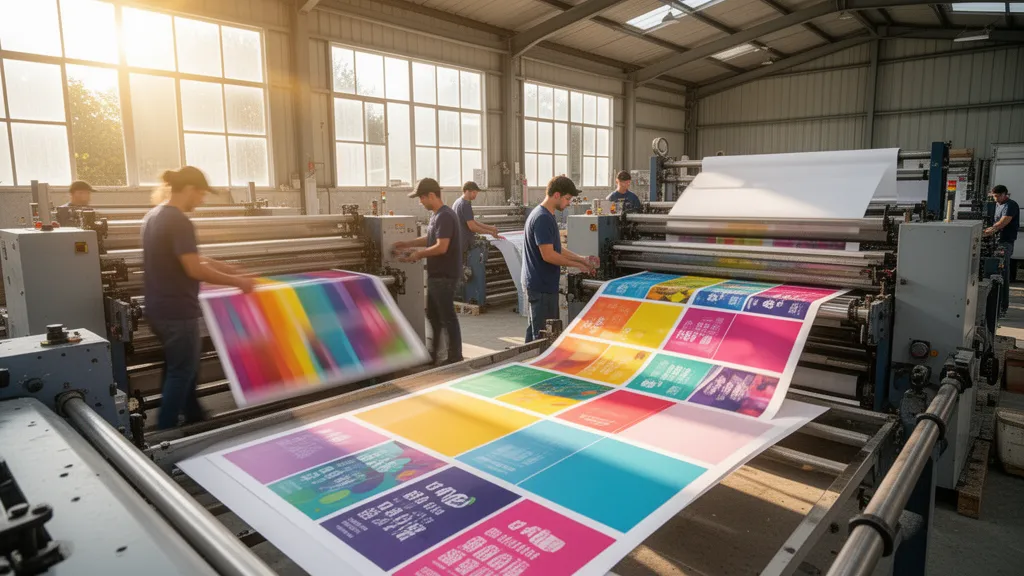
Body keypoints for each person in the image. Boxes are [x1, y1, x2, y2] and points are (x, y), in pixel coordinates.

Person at [142, 167, 254, 429]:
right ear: (190, 190)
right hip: (178, 311)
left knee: (180, 368)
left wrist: (228, 268)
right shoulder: (179, 221)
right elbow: (194, 269)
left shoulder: (154, 215)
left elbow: (190, 258)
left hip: (158, 309)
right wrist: (238, 282)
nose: (202, 201)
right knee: (182, 371)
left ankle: (194, 418)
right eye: (201, 195)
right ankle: (165, 432)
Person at [394, 178, 464, 365]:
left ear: (431, 195)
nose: (420, 202)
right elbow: (431, 238)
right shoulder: (436, 216)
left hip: (445, 275)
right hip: (436, 276)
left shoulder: (446, 216)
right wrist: (408, 243)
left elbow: (441, 247)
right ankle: (434, 354)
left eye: (421, 198)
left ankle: (455, 356)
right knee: (433, 315)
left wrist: (417, 255)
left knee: (447, 316)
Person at [523, 176, 598, 343]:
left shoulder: (545, 215)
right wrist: (578, 266)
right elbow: (548, 255)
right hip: (541, 286)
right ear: (556, 195)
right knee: (543, 338)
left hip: (542, 284)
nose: (569, 203)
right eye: (567, 199)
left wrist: (582, 260)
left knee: (536, 332)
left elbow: (556, 249)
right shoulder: (542, 218)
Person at [985, 184, 1019, 316]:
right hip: (997, 241)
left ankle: (1002, 307)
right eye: (994, 196)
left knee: (1002, 273)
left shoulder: (1011, 205)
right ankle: (995, 306)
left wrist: (989, 231)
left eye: (997, 196)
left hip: (1005, 243)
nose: (995, 199)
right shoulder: (999, 205)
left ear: (1005, 194)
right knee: (995, 273)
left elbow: (1003, 222)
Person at [453, 181, 503, 253]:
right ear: (467, 191)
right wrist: (490, 233)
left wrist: (490, 228)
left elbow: (472, 221)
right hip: (463, 242)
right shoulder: (465, 204)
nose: (475, 195)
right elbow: (472, 227)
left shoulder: (458, 201)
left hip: (458, 240)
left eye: (476, 193)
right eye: (474, 192)